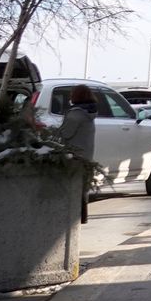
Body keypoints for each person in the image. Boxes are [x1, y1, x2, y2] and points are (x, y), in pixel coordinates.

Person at [59, 84, 97, 223]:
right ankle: (82, 219)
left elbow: (65, 134)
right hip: (86, 156)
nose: (70, 96)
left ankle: (75, 221)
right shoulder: (90, 113)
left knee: (74, 191)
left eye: (72, 93)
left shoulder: (76, 114)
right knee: (83, 191)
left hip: (74, 158)